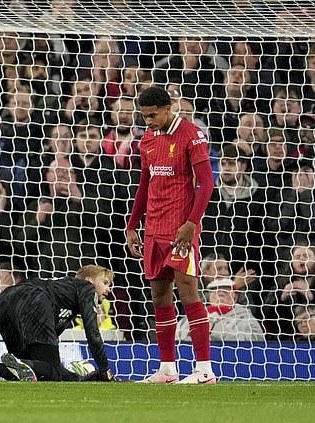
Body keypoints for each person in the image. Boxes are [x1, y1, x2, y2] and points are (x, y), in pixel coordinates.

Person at [125, 86, 215, 384]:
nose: (148, 121)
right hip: (153, 230)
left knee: (189, 293)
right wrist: (132, 225)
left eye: (153, 115)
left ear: (168, 109)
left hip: (180, 230)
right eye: (144, 116)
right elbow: (144, 185)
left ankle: (204, 369)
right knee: (160, 297)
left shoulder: (192, 136)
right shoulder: (148, 139)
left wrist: (191, 224)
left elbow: (206, 184)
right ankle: (167, 369)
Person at [0, 265, 116, 382]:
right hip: (34, 300)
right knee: (50, 372)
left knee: (30, 370)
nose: (108, 290)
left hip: (2, 304)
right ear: (88, 280)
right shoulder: (86, 288)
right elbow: (93, 333)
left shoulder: (63, 296)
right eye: (105, 283)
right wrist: (105, 371)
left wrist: (78, 378)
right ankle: (1, 366)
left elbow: (50, 367)